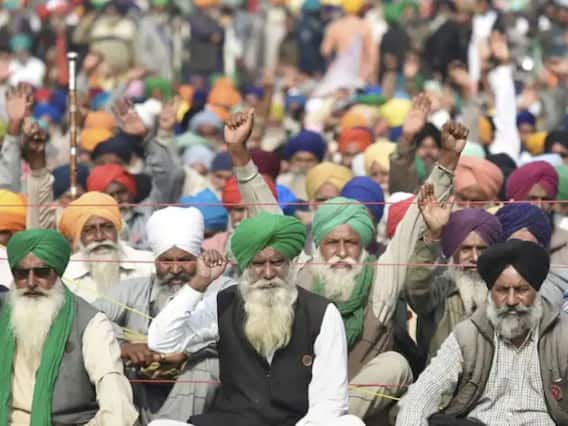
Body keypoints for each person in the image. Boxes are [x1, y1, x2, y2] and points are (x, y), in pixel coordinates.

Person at [148, 212, 364, 426]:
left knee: (350, 423)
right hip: (230, 423)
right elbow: (162, 342)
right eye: (258, 263)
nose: (268, 273)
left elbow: (330, 402)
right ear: (245, 266)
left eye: (277, 262)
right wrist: (198, 284)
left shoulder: (321, 313)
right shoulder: (223, 304)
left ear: (291, 263)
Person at [396, 239, 568, 426]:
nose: (511, 301)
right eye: (502, 290)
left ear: (537, 291)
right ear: (490, 292)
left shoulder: (561, 335)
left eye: (521, 290)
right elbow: (423, 393)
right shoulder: (469, 335)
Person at [95, 206, 234, 424]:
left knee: (207, 365)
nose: (175, 269)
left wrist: (186, 352)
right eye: (167, 261)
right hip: (141, 388)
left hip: (199, 392)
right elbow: (90, 318)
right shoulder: (133, 289)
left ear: (199, 257)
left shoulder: (222, 287)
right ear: (155, 261)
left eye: (184, 260)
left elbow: (234, 337)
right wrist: (124, 345)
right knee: (111, 362)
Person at [0, 229, 138, 425]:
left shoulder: (90, 322)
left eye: (41, 272)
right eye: (21, 274)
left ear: (57, 272)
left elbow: (115, 398)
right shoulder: (3, 310)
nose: (31, 283)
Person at [404, 197, 503, 362]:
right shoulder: (440, 288)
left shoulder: (505, 291)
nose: (475, 257)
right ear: (453, 251)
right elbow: (415, 288)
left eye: (482, 249)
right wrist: (433, 236)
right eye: (466, 249)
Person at [58, 191, 155, 303]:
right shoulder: (66, 275)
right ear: (79, 237)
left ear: (117, 230)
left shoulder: (148, 265)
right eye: (89, 230)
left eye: (107, 227)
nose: (99, 237)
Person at [277, 129, 327, 200]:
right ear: (291, 160)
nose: (303, 165)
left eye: (309, 160)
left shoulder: (327, 189)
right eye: (299, 160)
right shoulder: (280, 183)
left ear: (319, 162)